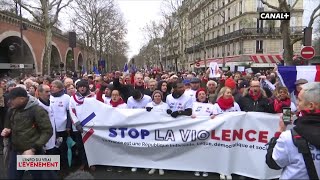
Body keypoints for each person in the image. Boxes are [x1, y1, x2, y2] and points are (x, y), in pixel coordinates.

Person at [265, 82, 320, 179]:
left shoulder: (288, 137)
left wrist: (281, 130)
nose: (297, 103)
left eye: (299, 100)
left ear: (311, 106)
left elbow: (273, 163)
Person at [1, 87, 53, 179]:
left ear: (22, 99)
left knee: (42, 177)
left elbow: (47, 131)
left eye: (12, 99)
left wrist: (33, 149)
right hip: (15, 151)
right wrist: (7, 131)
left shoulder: (37, 110)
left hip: (33, 152)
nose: (9, 102)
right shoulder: (12, 109)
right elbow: (9, 126)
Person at [190, 88, 214, 177]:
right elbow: (189, 114)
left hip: (207, 131)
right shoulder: (193, 104)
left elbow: (216, 115)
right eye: (200, 94)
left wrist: (213, 116)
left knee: (206, 150)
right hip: (196, 130)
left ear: (206, 95)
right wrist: (190, 115)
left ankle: (205, 168)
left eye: (203, 94)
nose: (202, 95)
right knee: (196, 149)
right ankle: (196, 167)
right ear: (197, 96)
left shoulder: (211, 105)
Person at [145, 90, 169, 175]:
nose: (157, 97)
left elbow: (168, 116)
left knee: (161, 148)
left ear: (161, 97)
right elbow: (144, 116)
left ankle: (160, 166)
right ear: (153, 97)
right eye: (156, 96)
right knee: (152, 148)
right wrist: (145, 111)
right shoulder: (149, 105)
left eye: (159, 96)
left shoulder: (166, 105)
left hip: (162, 130)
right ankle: (153, 165)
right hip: (151, 130)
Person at [50, 80, 72, 171]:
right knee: (53, 147)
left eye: (54, 86)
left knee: (63, 147)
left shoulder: (66, 97)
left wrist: (68, 126)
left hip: (62, 128)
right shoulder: (49, 97)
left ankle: (65, 165)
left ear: (59, 88)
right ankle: (55, 166)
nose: (52, 88)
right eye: (51, 86)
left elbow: (69, 112)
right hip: (51, 128)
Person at [37, 84, 58, 155]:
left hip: (53, 137)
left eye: (49, 91)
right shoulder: (37, 106)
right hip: (43, 141)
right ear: (39, 93)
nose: (49, 93)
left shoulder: (51, 103)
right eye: (46, 92)